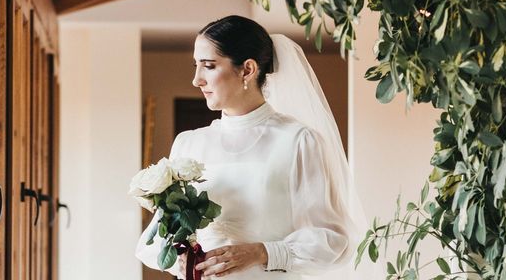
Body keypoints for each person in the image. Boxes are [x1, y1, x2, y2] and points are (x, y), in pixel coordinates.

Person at [135, 15, 365, 279]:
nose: (196, 79)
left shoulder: (297, 140)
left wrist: (262, 252)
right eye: (196, 65)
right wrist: (181, 254)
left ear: (247, 70)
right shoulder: (189, 143)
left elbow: (333, 241)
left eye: (208, 66)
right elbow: (156, 241)